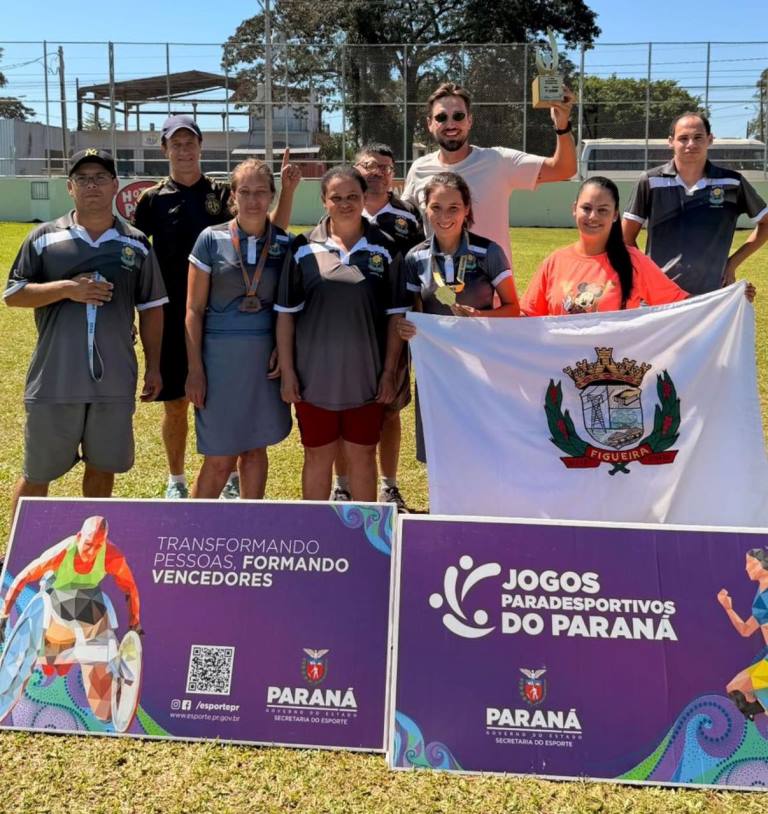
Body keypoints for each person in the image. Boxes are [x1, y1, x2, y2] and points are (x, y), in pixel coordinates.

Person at [133, 115, 301, 499]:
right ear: (165, 149)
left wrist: (288, 190)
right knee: (178, 406)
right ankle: (176, 480)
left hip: (240, 327)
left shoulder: (222, 193)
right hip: (181, 319)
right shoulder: (153, 199)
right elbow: (137, 255)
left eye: (190, 142)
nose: (184, 150)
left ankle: (239, 496)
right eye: (176, 144)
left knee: (249, 443)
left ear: (200, 146)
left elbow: (266, 237)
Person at [4, 149, 167, 523]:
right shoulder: (43, 238)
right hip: (56, 378)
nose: (91, 185)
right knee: (37, 473)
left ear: (115, 185)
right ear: (70, 187)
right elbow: (13, 295)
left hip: (113, 380)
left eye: (100, 178)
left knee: (103, 466)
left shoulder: (136, 243)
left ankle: (89, 549)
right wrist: (67, 289)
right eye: (83, 179)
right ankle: (15, 552)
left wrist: (154, 367)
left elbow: (152, 308)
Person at [276, 167, 410, 502]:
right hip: (313, 381)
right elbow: (286, 316)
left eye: (353, 196)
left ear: (364, 198)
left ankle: (365, 534)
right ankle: (317, 532)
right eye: (336, 197)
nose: (345, 203)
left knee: (363, 456)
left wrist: (389, 372)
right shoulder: (302, 247)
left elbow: (396, 317)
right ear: (324, 200)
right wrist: (288, 372)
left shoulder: (387, 247)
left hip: (365, 380)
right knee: (317, 456)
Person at [395, 172, 520, 462]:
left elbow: (513, 308)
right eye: (436, 207)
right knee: (438, 449)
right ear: (426, 209)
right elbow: (414, 313)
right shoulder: (416, 257)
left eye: (453, 208)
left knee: (480, 446)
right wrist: (407, 327)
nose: (444, 216)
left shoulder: (488, 252)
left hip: (481, 366)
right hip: (436, 369)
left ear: (467, 210)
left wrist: (481, 316)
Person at [185, 159, 292, 499]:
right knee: (219, 458)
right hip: (219, 361)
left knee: (255, 450)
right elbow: (193, 310)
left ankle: (250, 523)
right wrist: (195, 370)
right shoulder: (210, 239)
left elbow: (288, 309)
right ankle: (193, 525)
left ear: (272, 195)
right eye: (244, 191)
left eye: (261, 192)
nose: (253, 200)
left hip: (264, 361)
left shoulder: (284, 243)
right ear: (233, 195)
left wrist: (283, 351)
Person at [331, 143, 425, 510]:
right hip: (349, 329)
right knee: (343, 408)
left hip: (393, 327)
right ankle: (342, 485)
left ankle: (388, 485)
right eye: (369, 165)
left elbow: (419, 269)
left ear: (393, 174)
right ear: (355, 169)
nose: (377, 172)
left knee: (389, 409)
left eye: (385, 167)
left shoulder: (408, 216)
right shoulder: (341, 210)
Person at [403, 81, 576, 268]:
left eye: (458, 116)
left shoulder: (498, 161)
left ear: (470, 120)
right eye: (441, 117)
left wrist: (562, 126)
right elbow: (402, 219)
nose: (450, 124)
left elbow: (563, 169)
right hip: (436, 284)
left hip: (493, 285)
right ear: (430, 124)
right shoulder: (419, 169)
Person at [0, 515, 140, 720]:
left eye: (97, 547)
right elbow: (23, 577)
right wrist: (4, 615)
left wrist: (135, 622)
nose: (91, 552)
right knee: (42, 656)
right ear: (79, 536)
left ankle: (110, 704)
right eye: (88, 544)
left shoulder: (112, 555)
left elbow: (129, 587)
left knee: (103, 616)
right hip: (54, 603)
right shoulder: (62, 552)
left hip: (87, 604)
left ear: (104, 544)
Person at [622, 112, 768, 297]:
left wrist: (732, 263)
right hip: (659, 296)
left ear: (710, 139)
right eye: (683, 138)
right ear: (671, 142)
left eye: (698, 137)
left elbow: (765, 223)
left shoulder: (732, 183)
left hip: (712, 296)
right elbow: (625, 238)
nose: (691, 144)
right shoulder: (650, 181)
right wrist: (646, 273)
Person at [521, 177, 692, 316]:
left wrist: (710, 311)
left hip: (611, 351)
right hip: (561, 350)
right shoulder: (554, 262)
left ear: (615, 214)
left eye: (603, 210)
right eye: (586, 208)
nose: (593, 217)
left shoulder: (633, 261)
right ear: (574, 209)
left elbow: (681, 306)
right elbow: (528, 315)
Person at [717, 548, 768, 721]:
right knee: (736, 689)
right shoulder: (761, 594)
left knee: (752, 686)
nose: (747, 568)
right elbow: (746, 630)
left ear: (764, 564)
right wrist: (728, 608)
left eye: (751, 564)